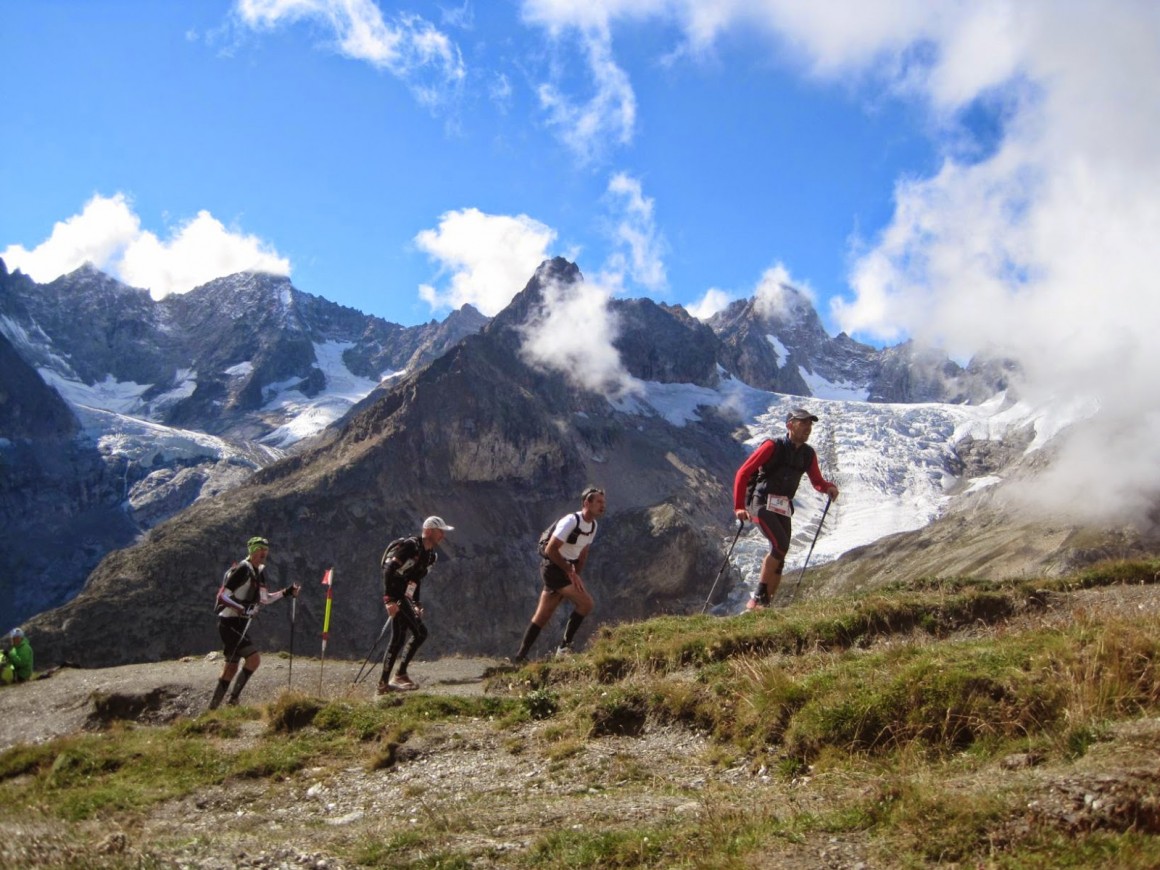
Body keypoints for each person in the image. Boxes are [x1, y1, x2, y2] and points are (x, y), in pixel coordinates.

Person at [733, 408, 839, 610]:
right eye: (803, 423)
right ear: (789, 425)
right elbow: (743, 473)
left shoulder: (808, 454)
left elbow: (816, 481)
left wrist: (828, 487)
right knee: (780, 544)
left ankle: (765, 607)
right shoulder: (772, 446)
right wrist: (739, 506)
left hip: (782, 507)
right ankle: (758, 598)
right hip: (761, 503)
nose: (808, 428)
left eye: (810, 424)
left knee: (781, 553)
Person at [513, 486, 606, 662]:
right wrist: (569, 572)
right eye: (599, 502)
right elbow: (550, 549)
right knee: (586, 604)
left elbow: (583, 553)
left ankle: (520, 657)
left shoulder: (592, 526)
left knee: (543, 615)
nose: (603, 505)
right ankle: (564, 649)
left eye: (604, 502)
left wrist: (575, 574)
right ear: (587, 502)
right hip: (553, 568)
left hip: (565, 570)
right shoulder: (571, 521)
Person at [208, 536, 300, 710]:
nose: (263, 553)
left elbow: (264, 599)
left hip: (239, 624)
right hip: (229, 623)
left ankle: (212, 710)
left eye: (265, 550)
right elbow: (222, 596)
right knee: (253, 660)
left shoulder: (259, 572)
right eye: (259, 550)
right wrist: (242, 608)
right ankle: (232, 700)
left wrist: (287, 592)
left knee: (231, 668)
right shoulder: (243, 569)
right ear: (251, 551)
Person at [376, 516, 454, 695]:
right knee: (419, 633)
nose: (443, 535)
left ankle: (388, 680)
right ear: (429, 531)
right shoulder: (411, 546)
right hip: (396, 594)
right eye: (440, 531)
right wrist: (388, 600)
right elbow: (389, 570)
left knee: (399, 637)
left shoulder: (429, 555)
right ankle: (395, 677)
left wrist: (416, 603)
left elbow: (415, 579)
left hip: (404, 596)